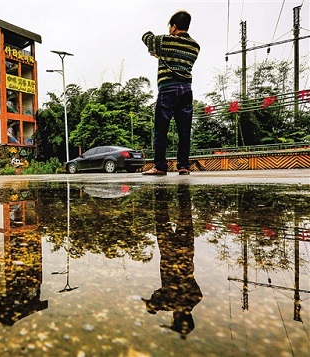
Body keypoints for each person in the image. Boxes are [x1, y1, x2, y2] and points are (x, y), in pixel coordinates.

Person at [141, 10, 200, 176]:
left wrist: (159, 51)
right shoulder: (195, 46)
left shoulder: (164, 41)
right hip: (186, 90)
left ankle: (160, 166)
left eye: (170, 27)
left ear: (174, 27)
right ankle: (183, 166)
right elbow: (178, 58)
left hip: (168, 89)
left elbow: (146, 37)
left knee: (161, 130)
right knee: (184, 131)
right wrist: (162, 54)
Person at [142, 185, 203, 338]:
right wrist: (154, 308)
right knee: (161, 217)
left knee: (185, 214)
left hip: (186, 252)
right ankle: (160, 190)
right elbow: (152, 302)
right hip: (168, 253)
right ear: (177, 319)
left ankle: (182, 188)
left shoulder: (197, 297)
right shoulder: (168, 304)